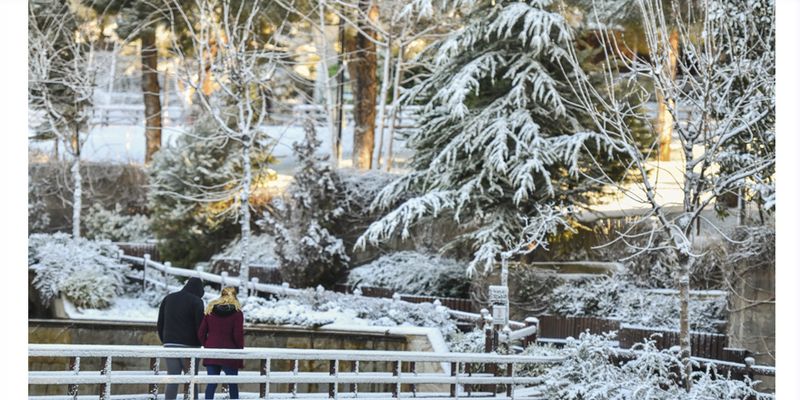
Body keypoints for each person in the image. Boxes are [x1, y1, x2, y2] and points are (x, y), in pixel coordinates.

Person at [157, 277, 205, 400]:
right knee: (191, 380)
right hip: (190, 347)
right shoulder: (197, 302)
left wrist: (165, 341)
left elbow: (160, 322)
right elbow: (200, 326)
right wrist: (202, 343)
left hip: (169, 345)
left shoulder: (169, 298)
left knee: (172, 379)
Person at [197, 286, 245, 399]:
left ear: (221, 295)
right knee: (232, 383)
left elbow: (201, 333)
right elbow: (237, 335)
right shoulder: (237, 313)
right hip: (230, 352)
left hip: (212, 352)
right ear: (234, 296)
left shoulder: (210, 311)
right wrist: (240, 350)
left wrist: (207, 345)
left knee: (212, 383)